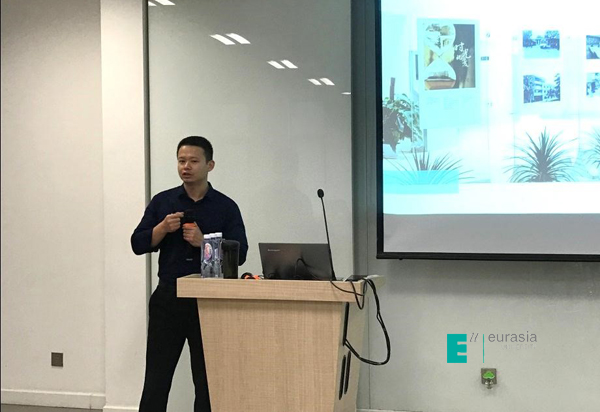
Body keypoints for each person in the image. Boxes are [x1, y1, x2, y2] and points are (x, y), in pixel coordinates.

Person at [131, 135, 248, 412]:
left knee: (206, 380)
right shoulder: (163, 201)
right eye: (181, 161)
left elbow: (240, 254)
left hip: (209, 301)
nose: (186, 166)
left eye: (194, 161)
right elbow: (137, 244)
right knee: (157, 376)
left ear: (210, 165)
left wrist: (204, 242)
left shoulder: (225, 206)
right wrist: (161, 229)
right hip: (168, 298)